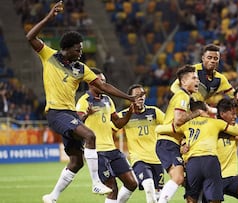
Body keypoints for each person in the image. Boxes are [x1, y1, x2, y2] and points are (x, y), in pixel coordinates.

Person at [26, 2, 139, 202]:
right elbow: (30, 37)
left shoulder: (81, 68)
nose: (81, 52)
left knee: (77, 161)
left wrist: (129, 97)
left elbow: (104, 86)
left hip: (68, 114)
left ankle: (52, 196)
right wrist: (48, 18)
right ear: (67, 48)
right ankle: (96, 182)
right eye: (78, 49)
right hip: (55, 112)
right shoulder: (49, 55)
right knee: (90, 135)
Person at [155, 100, 238, 203]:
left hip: (228, 177)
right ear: (222, 114)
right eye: (232, 113)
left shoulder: (189, 126)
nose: (235, 116)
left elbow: (160, 129)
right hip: (210, 173)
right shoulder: (216, 124)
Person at [76, 68, 138, 203]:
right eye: (100, 81)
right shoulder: (84, 101)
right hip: (97, 152)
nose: (103, 84)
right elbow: (76, 123)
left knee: (132, 183)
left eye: (104, 81)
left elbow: (118, 123)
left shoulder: (108, 100)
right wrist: (87, 114)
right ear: (91, 83)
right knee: (112, 189)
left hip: (112, 150)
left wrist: (129, 113)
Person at [155, 65, 201, 203]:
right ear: (184, 82)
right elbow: (179, 120)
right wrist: (197, 113)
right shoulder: (182, 95)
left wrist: (183, 141)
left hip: (170, 143)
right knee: (179, 178)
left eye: (197, 78)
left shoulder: (185, 97)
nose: (197, 81)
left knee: (186, 180)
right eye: (194, 78)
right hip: (167, 142)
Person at [118, 84, 165, 203]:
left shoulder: (154, 112)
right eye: (137, 95)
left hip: (157, 160)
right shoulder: (124, 115)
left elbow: (169, 125)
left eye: (142, 95)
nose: (141, 97)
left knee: (159, 196)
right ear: (130, 98)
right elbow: (110, 128)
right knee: (148, 187)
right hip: (139, 159)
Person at [170, 44, 234, 104]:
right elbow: (174, 87)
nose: (212, 61)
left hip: (198, 110)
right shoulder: (193, 70)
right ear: (203, 58)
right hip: (182, 107)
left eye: (216, 58)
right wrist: (187, 98)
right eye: (209, 57)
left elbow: (234, 95)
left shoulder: (221, 79)